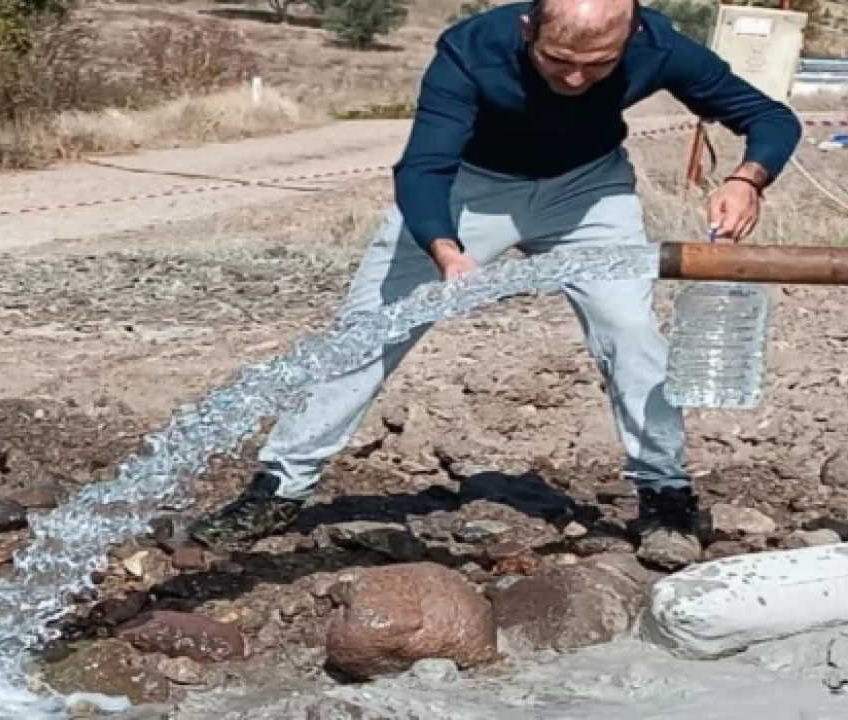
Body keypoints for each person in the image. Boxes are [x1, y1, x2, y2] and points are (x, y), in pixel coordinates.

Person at [188, 0, 801, 569]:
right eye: (558, 59)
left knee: (631, 330)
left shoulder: (660, 45)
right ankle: (279, 487)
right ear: (530, 29)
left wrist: (748, 178)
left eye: (598, 65)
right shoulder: (471, 50)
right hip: (469, 189)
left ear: (630, 34)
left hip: (587, 192)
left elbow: (769, 117)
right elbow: (424, 166)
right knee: (368, 331)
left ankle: (665, 495)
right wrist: (446, 251)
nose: (575, 79)